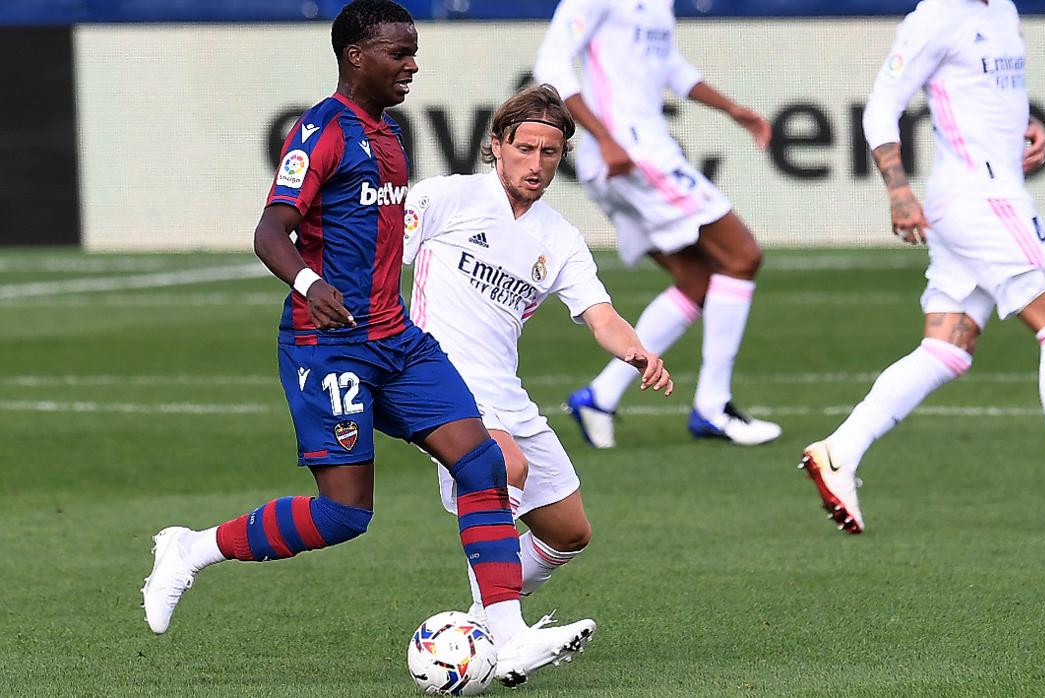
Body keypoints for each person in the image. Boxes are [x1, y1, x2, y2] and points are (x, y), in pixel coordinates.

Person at [139, 1, 591, 684]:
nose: (412, 65)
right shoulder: (320, 130)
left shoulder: (390, 137)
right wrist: (309, 282)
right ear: (357, 56)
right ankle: (190, 549)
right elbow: (270, 231)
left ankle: (508, 634)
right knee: (344, 514)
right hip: (329, 347)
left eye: (413, 52)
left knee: (483, 463)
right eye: (399, 53)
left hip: (398, 341)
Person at [799, 0, 1045, 534]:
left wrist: (1027, 125)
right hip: (980, 199)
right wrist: (898, 190)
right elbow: (880, 108)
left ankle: (840, 452)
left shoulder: (1003, 11)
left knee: (946, 348)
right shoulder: (936, 17)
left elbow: (986, 93)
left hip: (986, 194)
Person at [402, 84, 673, 644]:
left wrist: (638, 351)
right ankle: (506, 636)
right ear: (497, 144)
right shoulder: (445, 198)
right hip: (439, 381)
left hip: (506, 393)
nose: (536, 163)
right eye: (525, 148)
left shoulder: (560, 237)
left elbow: (601, 315)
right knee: (504, 466)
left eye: (549, 152)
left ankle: (479, 623)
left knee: (568, 532)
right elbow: (381, 262)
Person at [533, 0, 781, 448]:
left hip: (636, 151)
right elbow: (550, 65)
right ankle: (713, 407)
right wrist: (604, 137)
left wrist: (733, 110)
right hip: (629, 153)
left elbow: (671, 66)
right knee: (742, 255)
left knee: (697, 279)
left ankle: (600, 398)